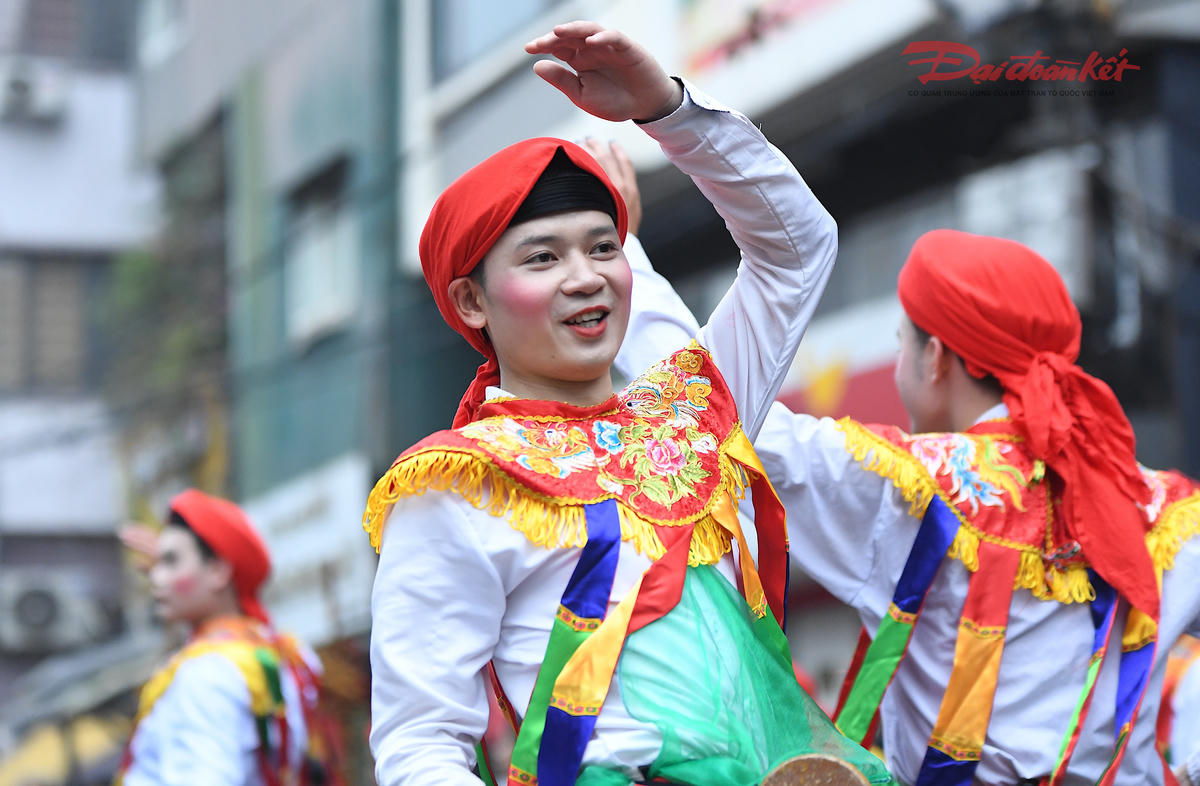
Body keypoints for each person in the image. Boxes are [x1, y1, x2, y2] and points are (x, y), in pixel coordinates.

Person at [364, 19, 895, 786]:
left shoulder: (697, 410)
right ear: (471, 301)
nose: (586, 277)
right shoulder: (454, 485)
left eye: (603, 247)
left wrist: (667, 110)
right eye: (544, 258)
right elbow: (421, 743)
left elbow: (796, 250)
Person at [616, 226, 1200, 785]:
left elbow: (699, 403)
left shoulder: (909, 486)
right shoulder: (1171, 511)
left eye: (902, 343)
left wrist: (623, 259)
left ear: (936, 358)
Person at [116, 489, 336, 786]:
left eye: (170, 562)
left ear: (219, 570)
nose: (156, 577)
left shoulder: (206, 673)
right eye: (157, 564)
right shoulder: (283, 653)